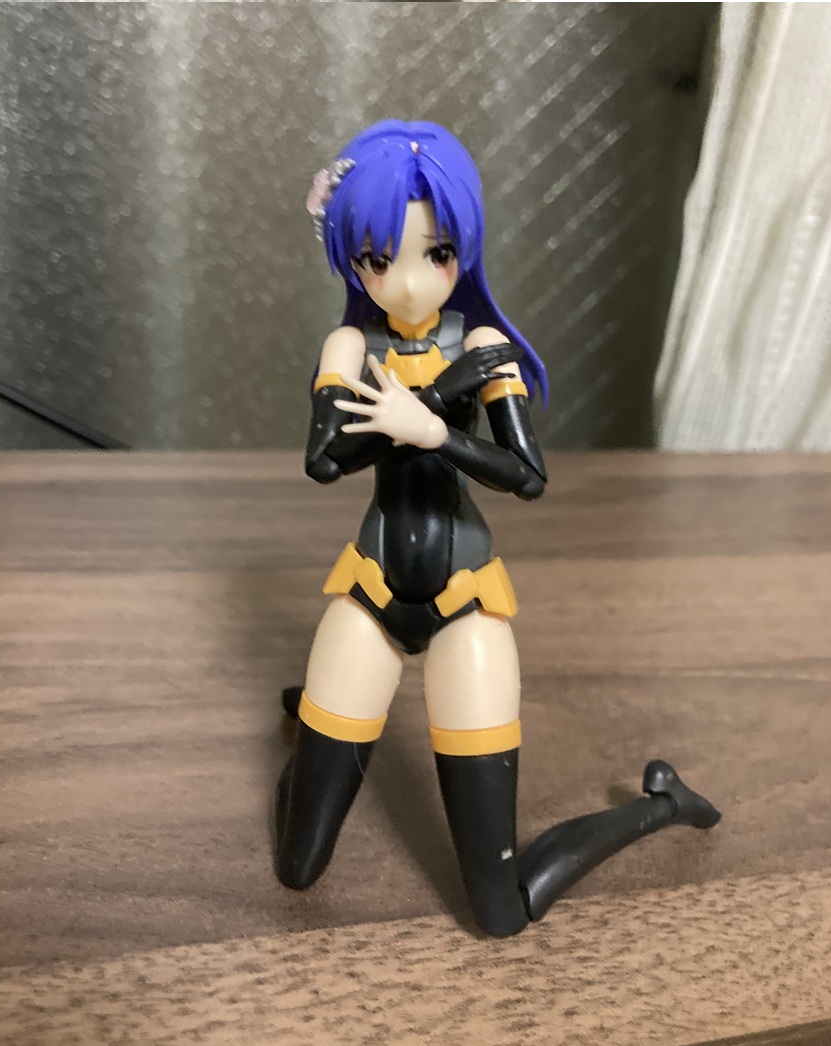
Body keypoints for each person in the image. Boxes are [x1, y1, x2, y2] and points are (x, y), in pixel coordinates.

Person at [275, 120, 719, 937]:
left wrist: (432, 429)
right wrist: (429, 405)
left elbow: (526, 475)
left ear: (464, 250)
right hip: (368, 594)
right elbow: (325, 462)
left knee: (499, 909)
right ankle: (306, 724)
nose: (410, 284)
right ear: (351, 258)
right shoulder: (350, 344)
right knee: (298, 865)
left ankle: (661, 807)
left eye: (436, 254)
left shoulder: (481, 343)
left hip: (464, 605)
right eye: (379, 259)